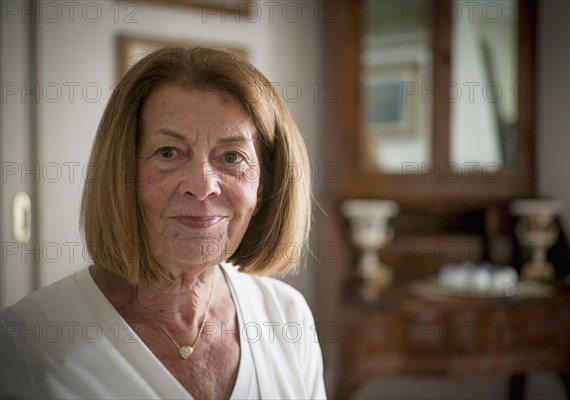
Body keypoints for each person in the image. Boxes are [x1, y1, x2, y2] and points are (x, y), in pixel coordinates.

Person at [0, 46, 326, 399]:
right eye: (168, 152)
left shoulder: (287, 316)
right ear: (122, 174)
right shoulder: (24, 342)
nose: (202, 186)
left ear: (264, 185)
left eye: (232, 157)